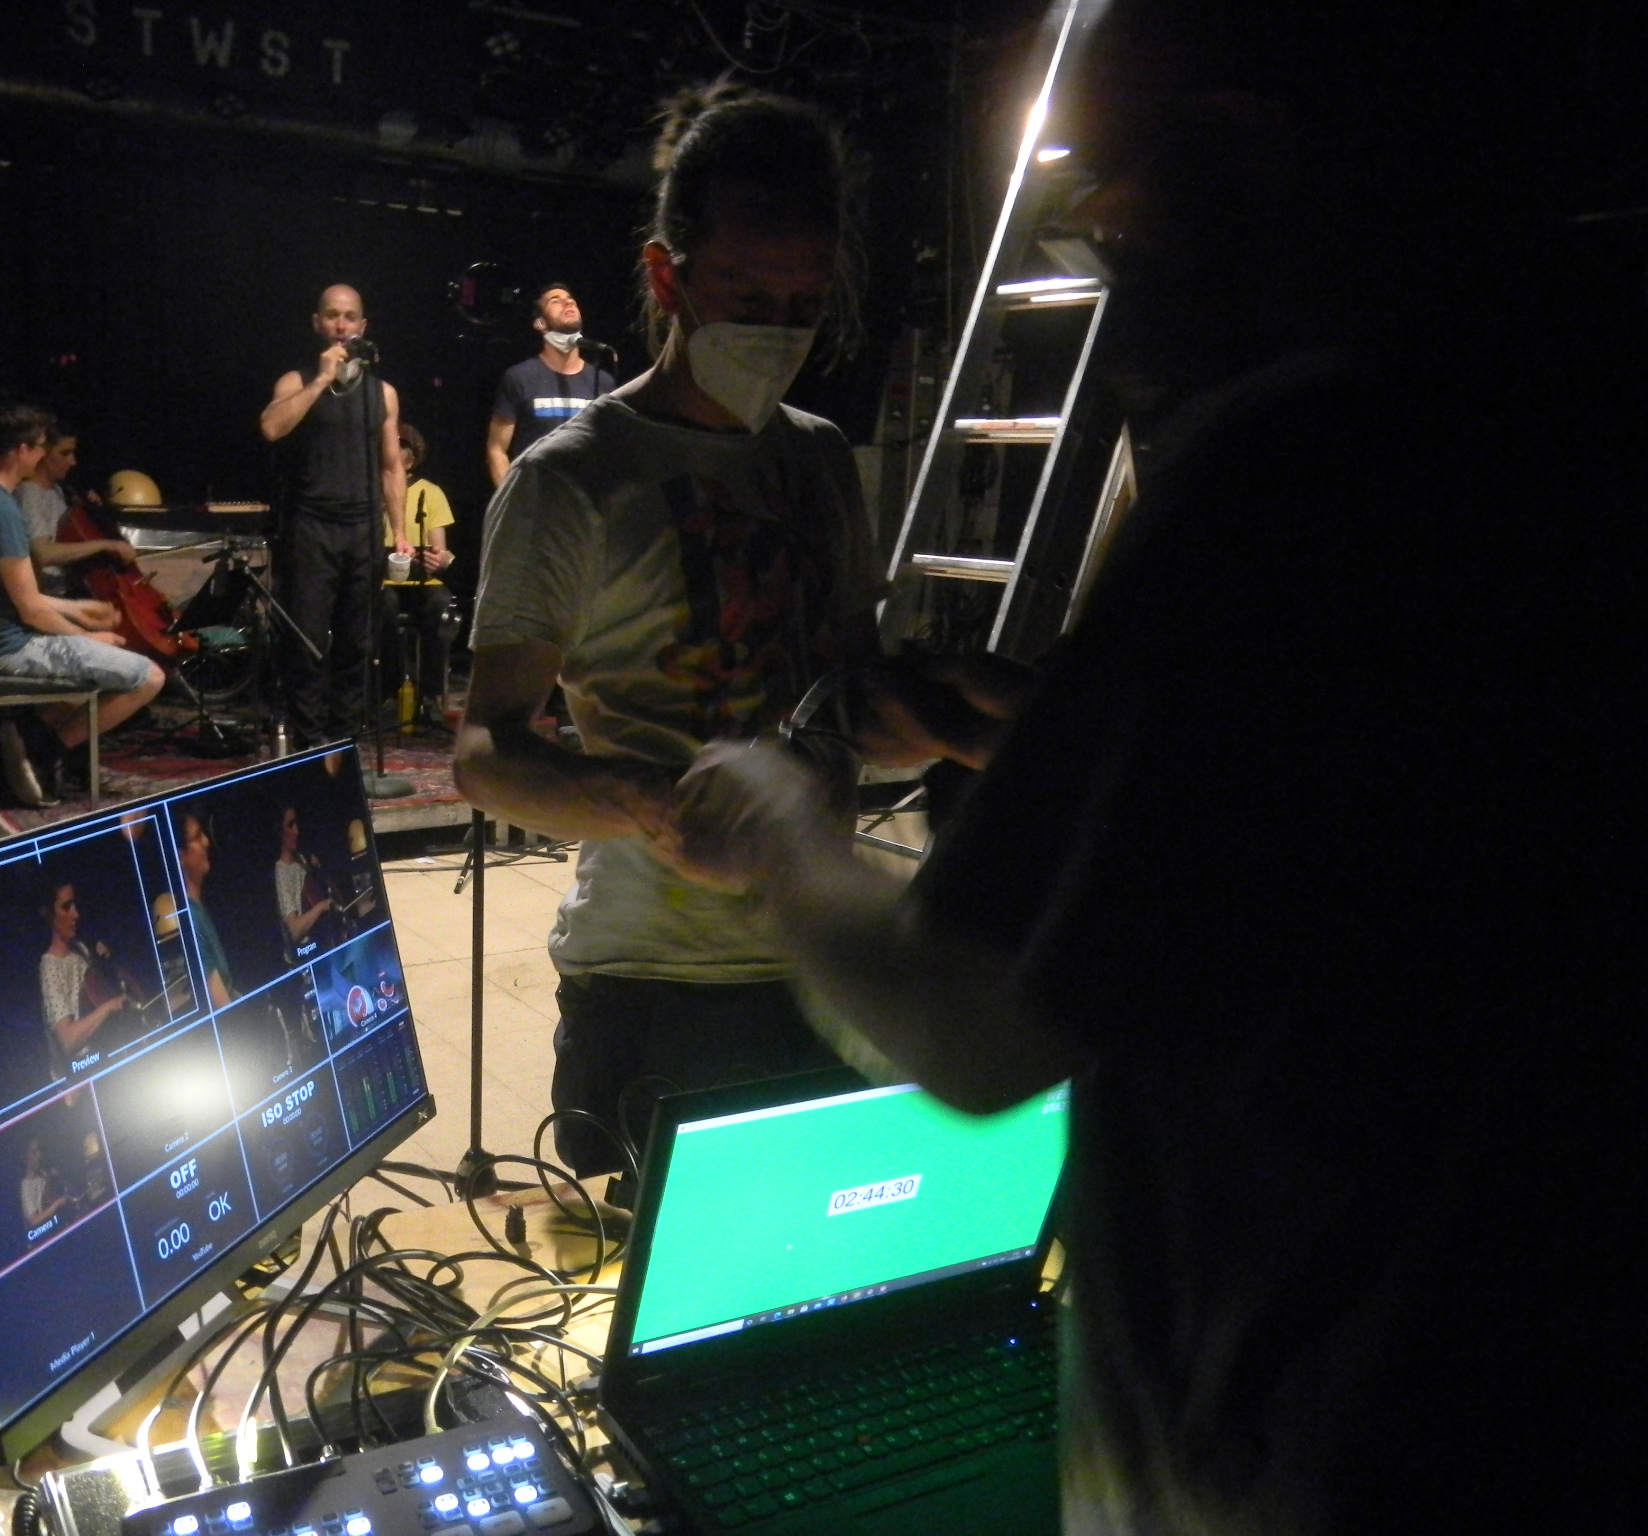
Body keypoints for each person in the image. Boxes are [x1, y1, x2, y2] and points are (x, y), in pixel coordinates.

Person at [672, 8, 1638, 1532]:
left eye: (1114, 210)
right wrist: (1042, 735)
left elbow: (971, 1027)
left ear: (1241, 158)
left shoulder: (1291, 472)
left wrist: (787, 832)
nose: (1109, 262)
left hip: (1296, 1460)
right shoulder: (1555, 426)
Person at [454, 84, 890, 1176]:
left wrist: (968, 719)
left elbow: (849, 688)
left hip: (819, 964)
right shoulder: (575, 479)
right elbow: (485, 751)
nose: (777, 329)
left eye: (804, 302)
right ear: (668, 277)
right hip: (657, 982)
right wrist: (649, 803)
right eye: (747, 294)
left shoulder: (818, 458)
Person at [0, 401, 165, 806]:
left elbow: (11, 591)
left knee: (103, 661)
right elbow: (30, 610)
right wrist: (87, 636)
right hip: (4, 647)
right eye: (41, 446)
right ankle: (43, 747)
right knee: (148, 676)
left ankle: (23, 737)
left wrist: (78, 610)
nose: (44, 454)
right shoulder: (1, 511)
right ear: (21, 450)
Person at [259, 285, 412, 747]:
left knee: (357, 641)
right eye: (332, 316)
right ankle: (308, 743)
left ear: (363, 326)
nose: (341, 325)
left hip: (363, 527)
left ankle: (343, 743)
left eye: (349, 317)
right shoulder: (296, 380)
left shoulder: (382, 392)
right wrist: (322, 380)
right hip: (311, 525)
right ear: (317, 323)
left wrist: (399, 531)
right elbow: (271, 428)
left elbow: (391, 466)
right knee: (306, 639)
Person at [485, 284, 617, 486]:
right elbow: (496, 449)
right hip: (535, 497)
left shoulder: (603, 381)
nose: (568, 302)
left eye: (571, 300)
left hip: (584, 499)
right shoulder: (520, 377)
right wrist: (511, 499)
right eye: (555, 301)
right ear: (540, 323)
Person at [384, 423, 458, 717]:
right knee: (381, 605)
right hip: (384, 580)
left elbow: (442, 551)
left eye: (399, 445)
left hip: (422, 580)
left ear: (411, 458)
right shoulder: (371, 490)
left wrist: (440, 560)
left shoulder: (431, 492)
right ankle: (388, 691)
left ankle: (430, 693)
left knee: (440, 605)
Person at [15, 427, 137, 596]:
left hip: (68, 590)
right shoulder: (29, 493)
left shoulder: (57, 490)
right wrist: (107, 545)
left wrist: (88, 509)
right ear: (43, 454)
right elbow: (43, 554)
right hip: (48, 595)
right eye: (64, 453)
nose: (72, 462)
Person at [39, 879, 127, 1079]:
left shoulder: (81, 950)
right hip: (83, 1078)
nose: (75, 914)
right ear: (48, 914)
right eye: (66, 907)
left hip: (106, 1063)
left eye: (75, 905)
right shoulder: (50, 967)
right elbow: (67, 1041)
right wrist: (110, 1006)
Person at [152, 812, 234, 1010]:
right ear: (181, 856)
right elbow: (222, 1006)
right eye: (197, 837)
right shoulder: (190, 919)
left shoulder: (199, 908)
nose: (206, 841)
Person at [273, 803, 333, 951]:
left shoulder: (301, 858)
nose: (297, 831)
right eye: (290, 825)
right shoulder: (282, 871)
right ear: (279, 831)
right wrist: (321, 907)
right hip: (308, 950)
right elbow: (294, 930)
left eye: (296, 824)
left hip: (323, 940)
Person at [17, 1137, 67, 1232]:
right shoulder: (26, 1186)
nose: (39, 1155)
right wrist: (57, 1204)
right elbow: (34, 1220)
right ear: (25, 1157)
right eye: (34, 1152)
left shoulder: (45, 1174)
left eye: (40, 1150)